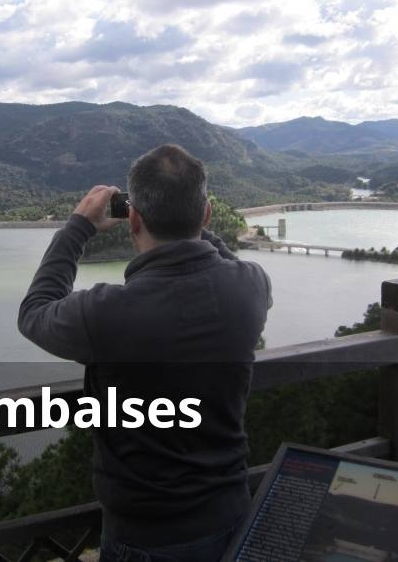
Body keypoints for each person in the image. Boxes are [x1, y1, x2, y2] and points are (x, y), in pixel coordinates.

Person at [18, 144, 272, 561]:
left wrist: (78, 226)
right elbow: (218, 259)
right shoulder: (250, 286)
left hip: (146, 539)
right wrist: (188, 220)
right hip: (232, 518)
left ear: (132, 218)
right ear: (207, 215)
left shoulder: (105, 313)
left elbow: (34, 313)